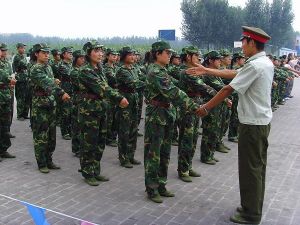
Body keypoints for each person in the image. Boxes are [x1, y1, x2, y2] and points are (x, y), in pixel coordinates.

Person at [193, 26, 273, 224]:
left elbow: (228, 89)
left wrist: (206, 107)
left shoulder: (255, 66)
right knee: (256, 167)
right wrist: (207, 70)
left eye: (243, 42)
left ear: (252, 43)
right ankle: (252, 205)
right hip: (260, 122)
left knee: (250, 170)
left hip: (252, 125)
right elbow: (234, 73)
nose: (242, 46)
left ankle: (251, 214)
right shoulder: (263, 62)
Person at [144, 40, 203, 203]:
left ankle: (161, 184)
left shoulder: (163, 70)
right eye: (167, 53)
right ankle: (152, 188)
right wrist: (193, 106)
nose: (170, 56)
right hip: (156, 116)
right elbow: (174, 92)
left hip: (166, 114)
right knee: (153, 154)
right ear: (157, 54)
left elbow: (178, 83)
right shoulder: (155, 71)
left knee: (165, 153)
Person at [78, 40, 128, 186]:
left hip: (101, 109)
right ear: (88, 53)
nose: (100, 54)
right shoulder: (85, 70)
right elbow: (102, 88)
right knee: (89, 143)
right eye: (96, 51)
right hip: (89, 111)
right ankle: (87, 172)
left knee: (100, 142)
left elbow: (106, 86)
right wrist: (119, 97)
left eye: (101, 51)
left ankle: (95, 170)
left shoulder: (99, 67)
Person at [177, 46, 216, 182]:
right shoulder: (186, 72)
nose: (199, 58)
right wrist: (222, 97)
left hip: (196, 105)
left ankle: (188, 165)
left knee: (193, 138)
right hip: (187, 108)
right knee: (186, 139)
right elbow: (203, 87)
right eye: (195, 55)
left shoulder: (195, 70)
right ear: (188, 56)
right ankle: (182, 170)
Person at [30, 43, 71, 173]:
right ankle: (41, 163)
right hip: (40, 105)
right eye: (43, 53)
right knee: (41, 135)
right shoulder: (36, 68)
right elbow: (48, 83)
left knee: (51, 135)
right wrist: (61, 92)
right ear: (36, 54)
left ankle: (49, 160)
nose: (47, 55)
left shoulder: (48, 67)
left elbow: (51, 82)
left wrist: (54, 83)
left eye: (48, 53)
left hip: (50, 103)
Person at [116, 46, 144, 168]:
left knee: (133, 129)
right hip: (125, 103)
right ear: (124, 57)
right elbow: (134, 83)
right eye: (130, 55)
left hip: (134, 102)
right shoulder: (122, 70)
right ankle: (123, 158)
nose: (133, 57)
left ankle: (131, 155)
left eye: (134, 54)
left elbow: (141, 79)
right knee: (124, 131)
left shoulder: (133, 69)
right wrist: (151, 82)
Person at [0, 46, 17, 160]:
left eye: (5, 50)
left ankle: (3, 149)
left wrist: (11, 84)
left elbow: (11, 76)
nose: (4, 52)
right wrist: (8, 79)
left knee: (5, 125)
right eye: (2, 50)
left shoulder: (7, 63)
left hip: (6, 95)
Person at [70, 50, 85, 157]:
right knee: (77, 124)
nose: (83, 60)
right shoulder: (74, 71)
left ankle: (80, 147)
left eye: (84, 58)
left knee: (82, 124)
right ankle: (76, 148)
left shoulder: (82, 70)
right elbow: (82, 85)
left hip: (84, 99)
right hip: (78, 99)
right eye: (80, 58)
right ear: (75, 59)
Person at [103, 48, 119, 147]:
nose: (115, 56)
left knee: (116, 118)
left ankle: (113, 137)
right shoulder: (106, 68)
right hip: (109, 96)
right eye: (113, 55)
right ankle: (108, 138)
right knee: (109, 118)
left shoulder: (116, 67)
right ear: (108, 56)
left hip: (117, 95)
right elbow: (114, 79)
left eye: (116, 55)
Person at [58, 47, 73, 140]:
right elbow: (70, 74)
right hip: (65, 91)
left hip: (72, 91)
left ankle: (70, 130)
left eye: (72, 53)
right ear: (64, 54)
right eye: (69, 53)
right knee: (65, 112)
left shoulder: (71, 64)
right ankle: (65, 132)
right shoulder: (62, 65)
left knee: (71, 112)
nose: (71, 54)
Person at [12, 43, 30, 121]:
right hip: (20, 79)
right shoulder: (17, 57)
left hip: (25, 78)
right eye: (22, 48)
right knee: (20, 97)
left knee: (26, 96)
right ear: (18, 48)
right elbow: (24, 65)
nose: (23, 49)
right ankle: (19, 115)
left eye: (24, 48)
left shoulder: (23, 57)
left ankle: (25, 114)